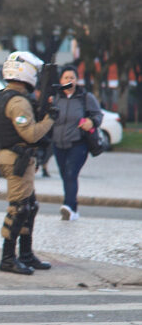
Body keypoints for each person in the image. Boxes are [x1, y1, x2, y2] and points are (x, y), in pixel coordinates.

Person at [0, 51, 57, 275]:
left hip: (17, 157)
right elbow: (31, 134)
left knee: (30, 206)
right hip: (16, 158)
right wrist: (50, 119)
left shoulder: (4, 96)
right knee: (19, 208)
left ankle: (26, 255)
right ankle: (8, 258)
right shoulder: (17, 101)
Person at [50, 65, 103, 221]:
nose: (69, 80)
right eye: (66, 77)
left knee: (71, 174)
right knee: (65, 175)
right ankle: (73, 208)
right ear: (61, 80)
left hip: (78, 143)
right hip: (58, 144)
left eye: (72, 77)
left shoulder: (85, 97)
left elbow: (98, 115)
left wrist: (92, 122)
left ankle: (69, 207)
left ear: (77, 80)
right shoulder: (55, 98)